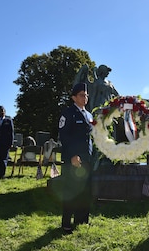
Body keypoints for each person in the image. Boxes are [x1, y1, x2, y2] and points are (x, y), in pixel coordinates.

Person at [58, 83, 94, 233]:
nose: (85, 97)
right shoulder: (68, 113)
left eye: (86, 95)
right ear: (73, 97)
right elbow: (64, 136)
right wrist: (72, 155)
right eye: (81, 95)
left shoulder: (89, 114)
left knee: (85, 191)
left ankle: (82, 220)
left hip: (86, 159)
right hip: (73, 160)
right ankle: (66, 223)